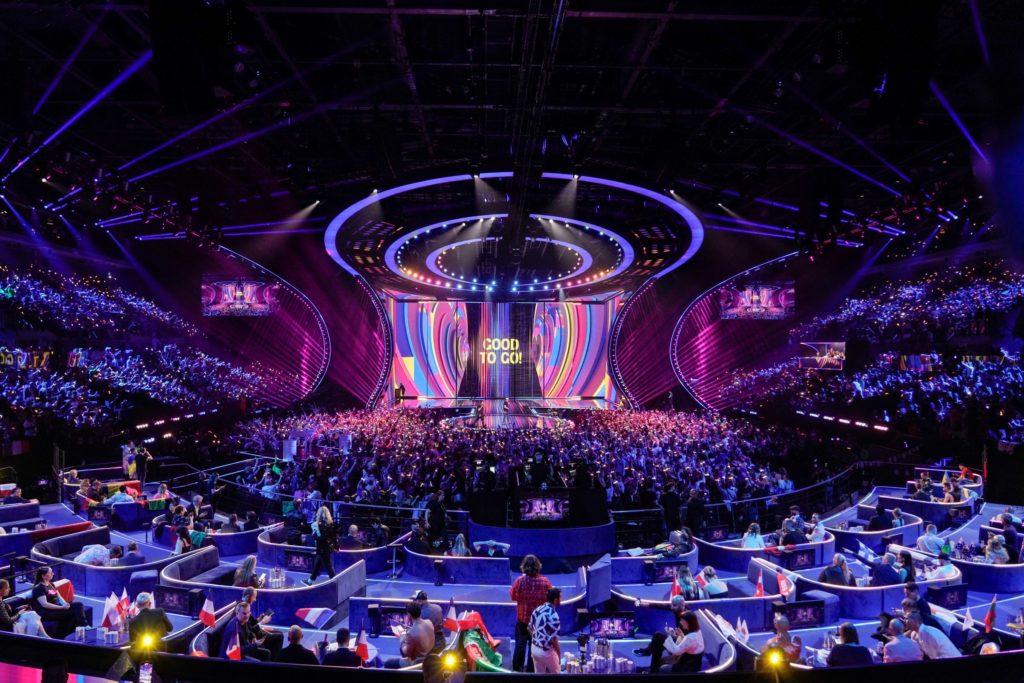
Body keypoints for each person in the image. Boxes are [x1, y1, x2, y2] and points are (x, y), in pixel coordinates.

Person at [510, 554, 552, 672]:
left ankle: (517, 670)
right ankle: (530, 671)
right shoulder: (545, 582)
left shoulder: (519, 581)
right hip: (538, 623)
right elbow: (550, 600)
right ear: (538, 566)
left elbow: (513, 596)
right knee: (534, 646)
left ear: (524, 566)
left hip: (522, 621)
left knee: (520, 645)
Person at [31, 566, 87, 638]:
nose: (53, 574)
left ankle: (84, 625)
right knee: (72, 613)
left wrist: (65, 604)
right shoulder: (38, 588)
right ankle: (65, 635)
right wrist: (61, 607)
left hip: (57, 607)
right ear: (43, 576)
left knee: (78, 605)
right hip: (47, 612)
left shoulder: (51, 584)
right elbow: (45, 604)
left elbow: (59, 597)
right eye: (50, 573)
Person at [384, 601, 434, 668]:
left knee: (387, 663)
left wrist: (402, 639)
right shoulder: (429, 622)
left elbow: (406, 654)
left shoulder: (411, 633)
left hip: (416, 663)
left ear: (409, 615)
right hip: (429, 658)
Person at [241, 587, 284, 658]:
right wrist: (262, 622)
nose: (255, 600)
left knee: (279, 633)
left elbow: (251, 623)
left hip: (258, 631)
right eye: (254, 597)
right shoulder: (243, 609)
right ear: (248, 596)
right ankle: (275, 660)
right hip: (257, 635)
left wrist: (259, 619)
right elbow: (249, 629)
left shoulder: (244, 605)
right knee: (280, 636)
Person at [528, 587, 562, 674]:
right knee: (557, 675)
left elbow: (529, 628)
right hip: (546, 652)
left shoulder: (537, 609)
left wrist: (537, 640)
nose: (561, 600)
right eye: (560, 597)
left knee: (539, 675)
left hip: (534, 649)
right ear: (555, 600)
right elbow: (554, 639)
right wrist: (559, 653)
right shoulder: (554, 615)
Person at [304, 505, 337, 585]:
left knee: (328, 566)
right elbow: (334, 536)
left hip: (323, 548)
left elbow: (322, 538)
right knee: (318, 564)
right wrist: (336, 546)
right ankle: (310, 580)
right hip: (326, 547)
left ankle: (335, 582)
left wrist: (314, 535)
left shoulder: (319, 524)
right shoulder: (330, 523)